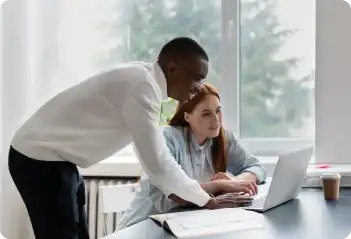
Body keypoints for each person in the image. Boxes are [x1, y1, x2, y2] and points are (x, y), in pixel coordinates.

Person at [8, 37, 255, 239]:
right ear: (173, 68)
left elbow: (159, 159)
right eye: (197, 78)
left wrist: (207, 196)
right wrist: (206, 201)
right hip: (38, 157)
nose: (200, 87)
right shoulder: (142, 88)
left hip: (56, 159)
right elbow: (158, 164)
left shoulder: (145, 83)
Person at [118, 83, 266, 229]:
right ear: (187, 116)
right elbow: (168, 199)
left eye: (218, 110)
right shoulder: (167, 138)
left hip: (181, 227)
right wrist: (218, 186)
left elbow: (256, 167)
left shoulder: (222, 138)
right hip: (141, 228)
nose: (216, 119)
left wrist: (235, 182)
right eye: (206, 113)